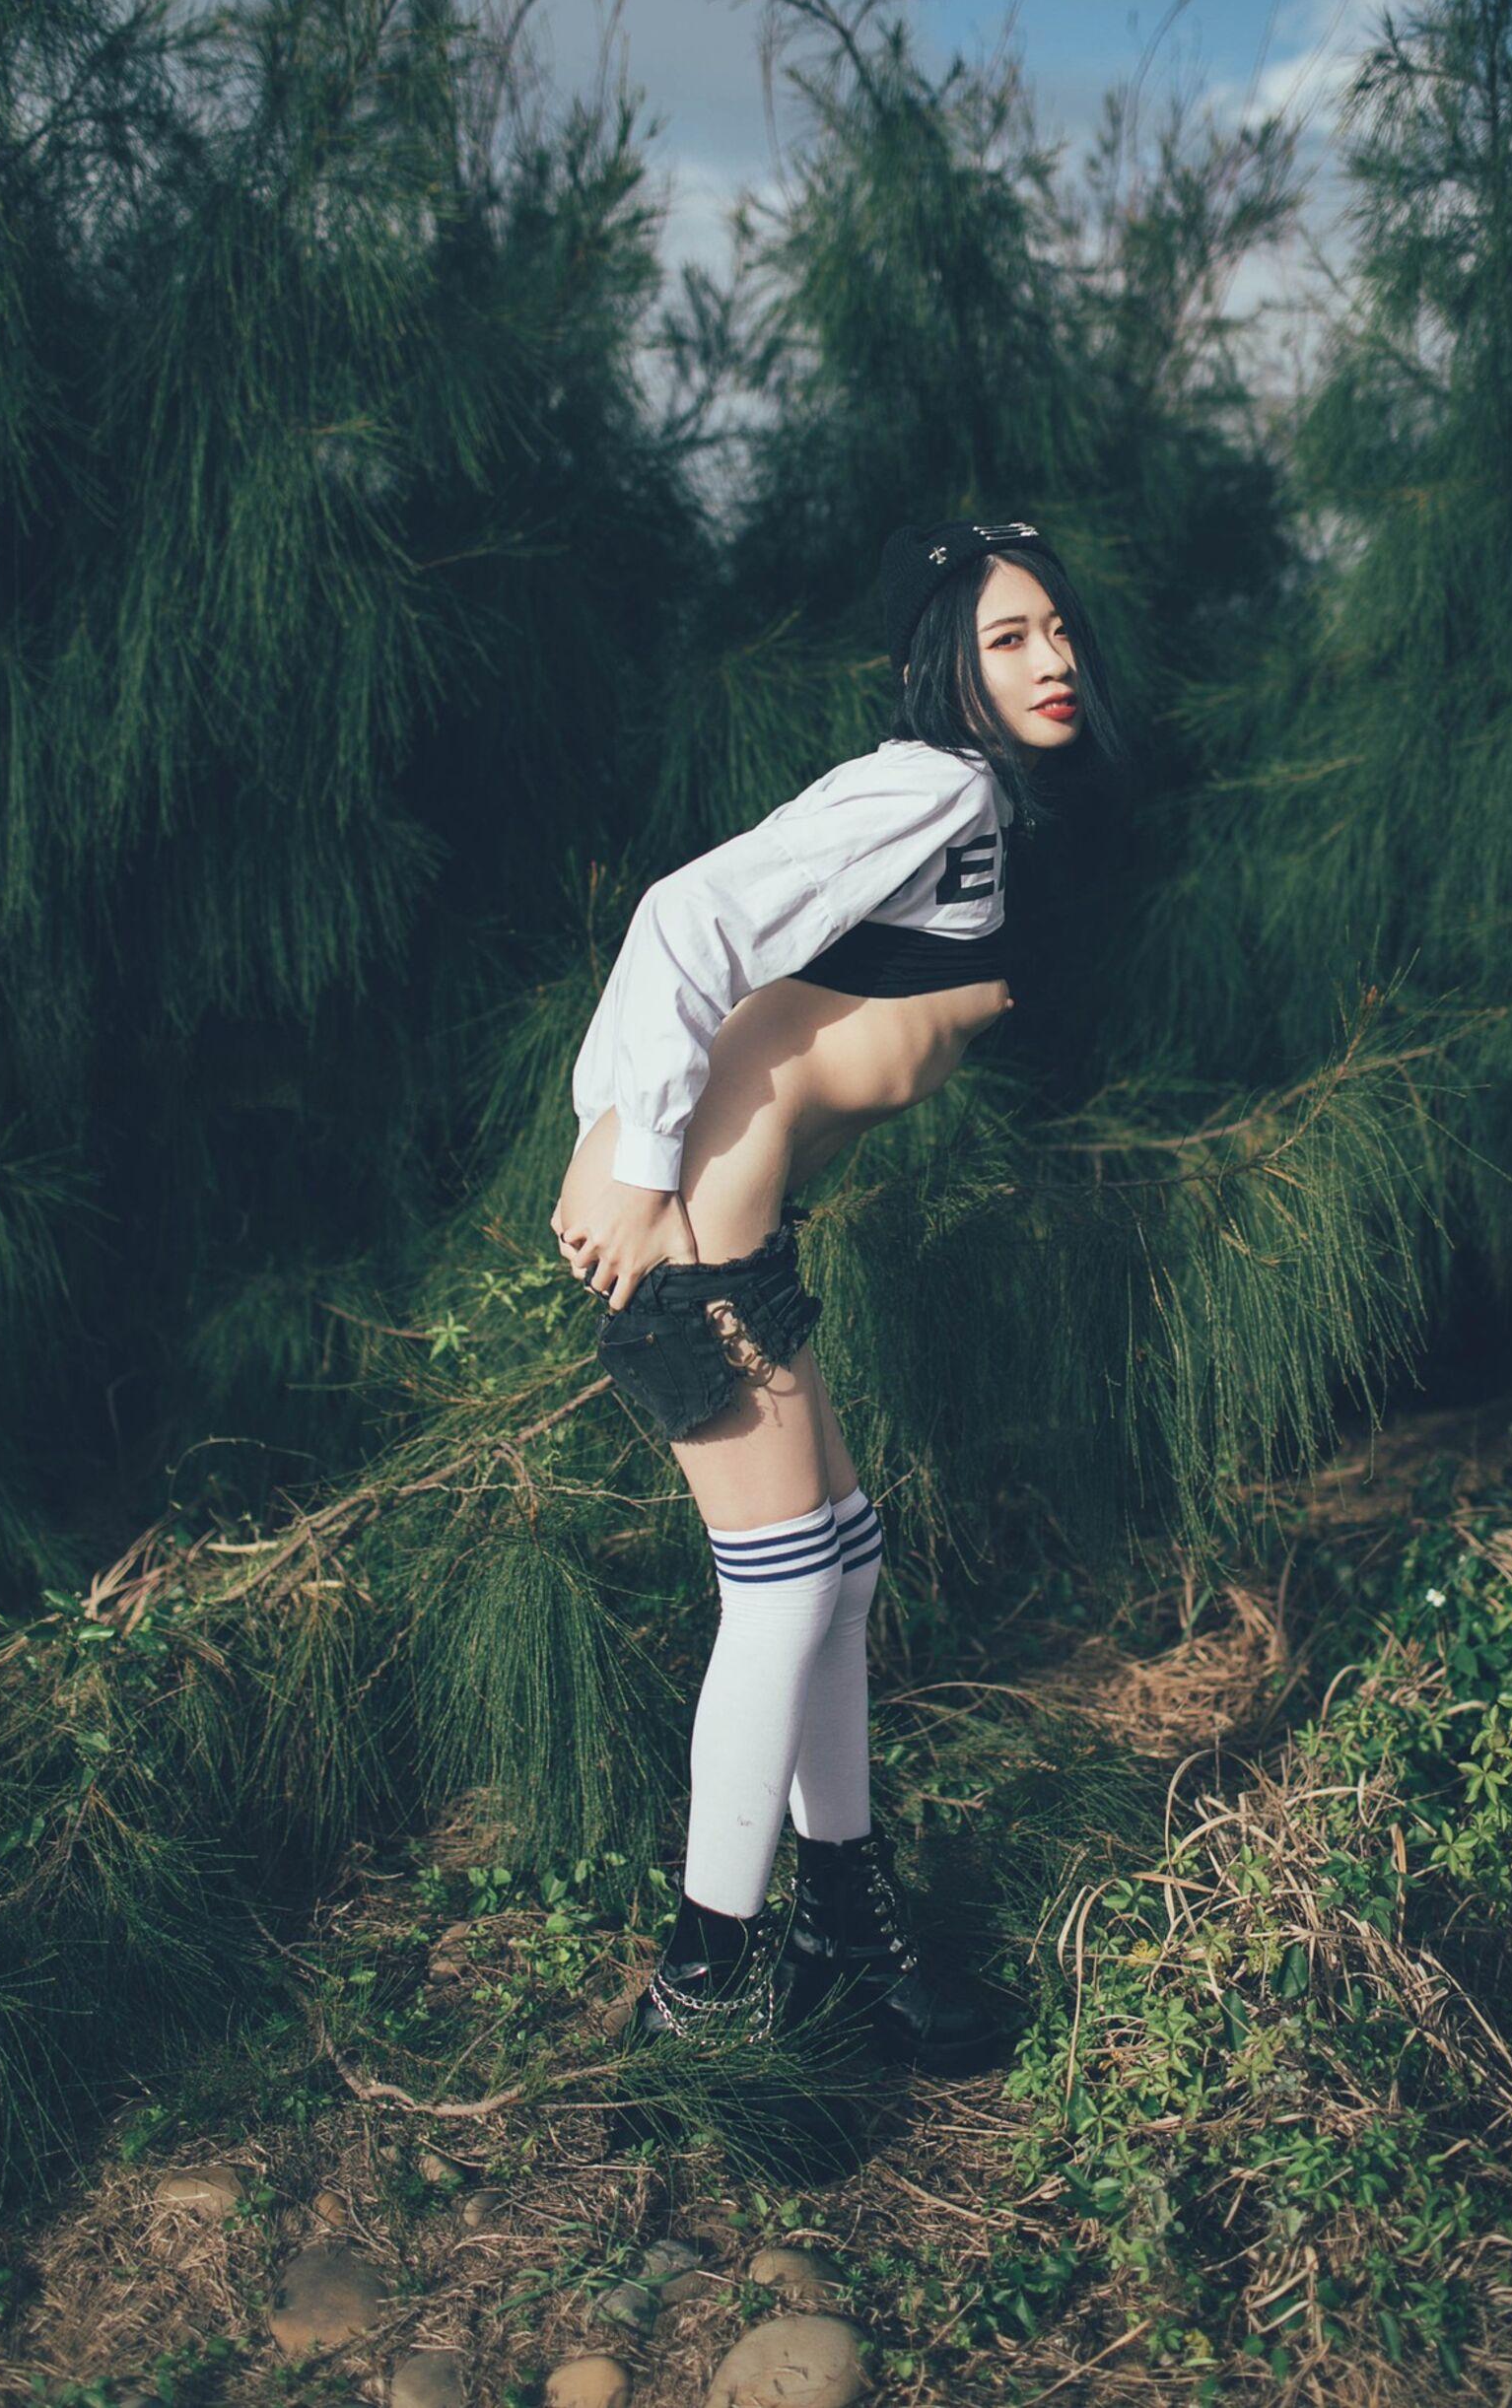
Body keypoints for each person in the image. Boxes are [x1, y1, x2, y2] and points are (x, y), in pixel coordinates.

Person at [552, 518, 1120, 2073]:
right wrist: (631, 1157)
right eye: (1009, 637)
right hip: (692, 1225)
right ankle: (702, 1995)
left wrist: (635, 1140)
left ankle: (846, 1932)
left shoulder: (984, 802)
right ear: (947, 662)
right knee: (790, 1587)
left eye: (1060, 628)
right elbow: (685, 915)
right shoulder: (933, 782)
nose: (1054, 659)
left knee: (841, 1565)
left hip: (727, 1210)